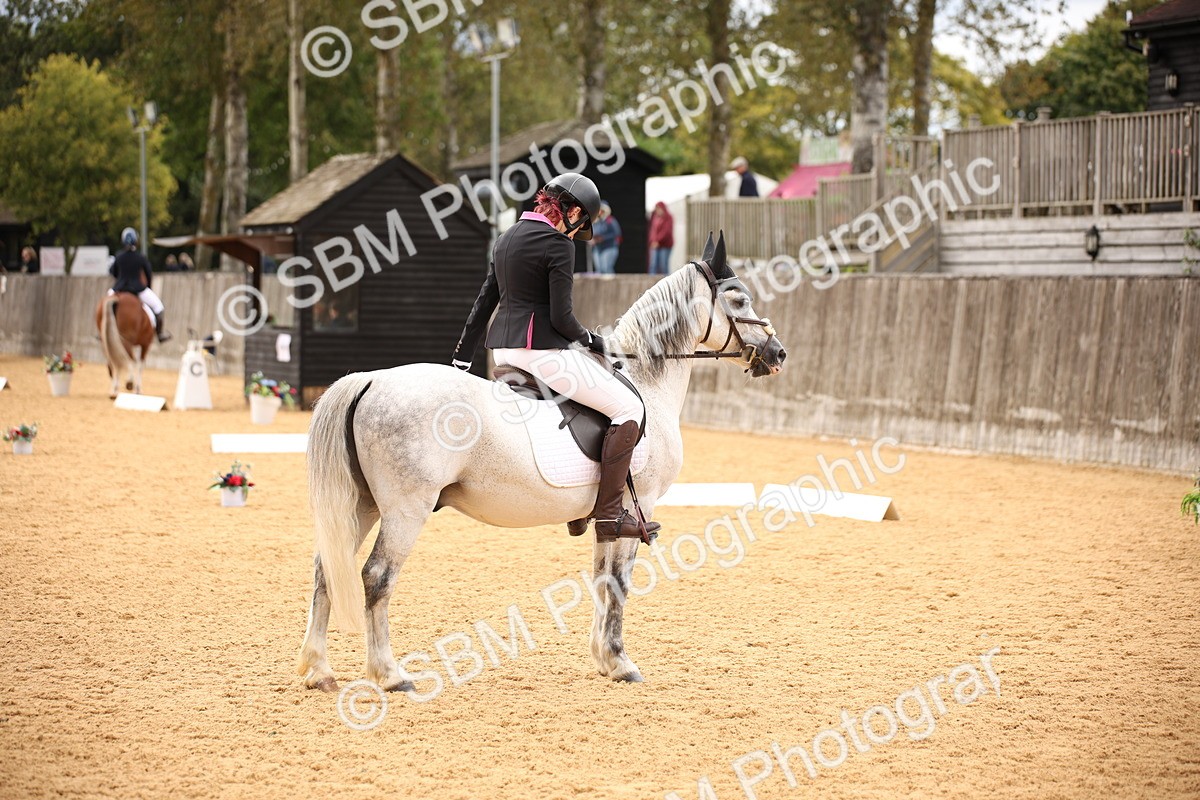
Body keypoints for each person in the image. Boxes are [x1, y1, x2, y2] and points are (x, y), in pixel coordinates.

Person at [451, 172, 660, 543]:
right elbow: (562, 319)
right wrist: (593, 340)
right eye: (581, 223)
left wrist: (461, 361)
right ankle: (609, 515)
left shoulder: (506, 238)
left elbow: (484, 303)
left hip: (505, 350)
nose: (577, 232)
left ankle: (577, 505)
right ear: (574, 210)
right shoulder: (559, 245)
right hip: (542, 352)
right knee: (628, 408)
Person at [108, 227, 171, 343]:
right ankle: (160, 334)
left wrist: (121, 279)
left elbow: (113, 272)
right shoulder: (140, 257)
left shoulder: (119, 256)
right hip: (137, 289)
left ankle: (102, 332)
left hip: (119, 288)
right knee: (159, 307)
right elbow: (148, 274)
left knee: (105, 305)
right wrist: (149, 288)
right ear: (136, 241)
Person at [589, 201, 621, 275]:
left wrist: (602, 238)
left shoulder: (610, 220)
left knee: (606, 268)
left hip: (609, 247)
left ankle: (612, 286)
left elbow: (617, 234)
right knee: (599, 270)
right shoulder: (595, 221)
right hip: (597, 248)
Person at [647, 202, 674, 275]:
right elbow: (652, 231)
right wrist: (652, 241)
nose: (658, 211)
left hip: (665, 245)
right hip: (655, 244)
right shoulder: (655, 217)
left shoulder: (668, 217)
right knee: (653, 265)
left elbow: (666, 231)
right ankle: (651, 282)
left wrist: (658, 241)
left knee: (663, 265)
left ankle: (667, 283)